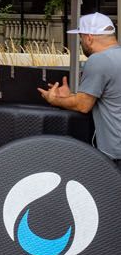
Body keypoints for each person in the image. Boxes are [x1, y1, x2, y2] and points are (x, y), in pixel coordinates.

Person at [38, 13, 121, 171]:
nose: (81, 42)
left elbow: (83, 105)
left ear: (89, 38)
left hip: (115, 152)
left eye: (81, 38)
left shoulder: (98, 60)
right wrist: (70, 97)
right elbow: (110, 96)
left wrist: (54, 99)